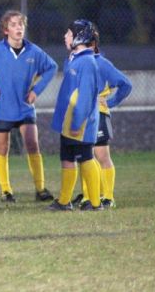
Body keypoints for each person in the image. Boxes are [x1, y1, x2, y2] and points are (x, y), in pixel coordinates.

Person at [0, 10, 57, 203]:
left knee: (33, 144)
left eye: (21, 24)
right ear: (5, 30)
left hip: (25, 107)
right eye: (14, 25)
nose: (19, 28)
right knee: (2, 147)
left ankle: (40, 188)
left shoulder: (34, 51)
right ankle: (6, 191)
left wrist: (36, 90)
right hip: (3, 108)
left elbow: (52, 67)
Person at [72, 31, 132, 209]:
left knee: (101, 156)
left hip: (98, 113)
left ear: (91, 46)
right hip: (83, 114)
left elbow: (126, 84)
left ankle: (108, 197)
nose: (77, 49)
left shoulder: (102, 64)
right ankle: (89, 197)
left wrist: (110, 102)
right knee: (85, 156)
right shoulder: (77, 63)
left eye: (80, 46)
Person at [48, 19, 102, 211]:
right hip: (68, 121)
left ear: (79, 37)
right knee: (67, 158)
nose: (65, 36)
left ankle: (95, 203)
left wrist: (78, 121)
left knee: (86, 157)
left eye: (69, 33)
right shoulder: (74, 59)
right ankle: (64, 201)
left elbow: (86, 96)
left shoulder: (87, 62)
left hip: (79, 123)